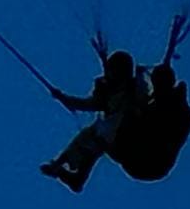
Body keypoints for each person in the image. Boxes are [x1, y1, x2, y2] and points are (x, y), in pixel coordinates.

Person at [41, 48, 150, 190]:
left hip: (125, 132)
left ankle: (74, 175)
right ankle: (61, 165)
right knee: (87, 135)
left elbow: (142, 97)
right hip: (110, 131)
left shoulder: (133, 90)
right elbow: (87, 104)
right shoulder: (108, 93)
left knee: (98, 135)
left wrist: (141, 77)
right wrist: (63, 98)